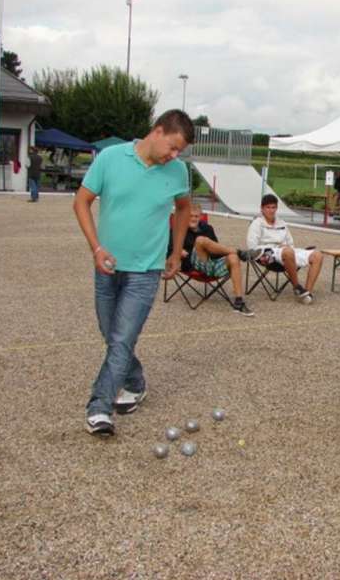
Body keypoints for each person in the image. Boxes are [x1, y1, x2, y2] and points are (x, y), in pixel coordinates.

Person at [73, 109, 194, 436]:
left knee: (123, 337)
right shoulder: (111, 158)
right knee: (112, 335)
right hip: (107, 267)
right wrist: (96, 248)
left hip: (146, 271)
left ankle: (99, 407)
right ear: (157, 131)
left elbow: (184, 208)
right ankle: (135, 381)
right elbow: (81, 202)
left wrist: (176, 250)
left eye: (179, 151)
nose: (174, 156)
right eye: (172, 147)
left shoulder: (177, 171)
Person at [169, 202, 259, 316]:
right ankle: (241, 253)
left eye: (196, 216)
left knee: (232, 257)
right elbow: (169, 250)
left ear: (200, 216)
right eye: (190, 216)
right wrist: (177, 252)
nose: (193, 218)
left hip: (210, 265)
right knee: (201, 240)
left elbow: (217, 252)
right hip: (191, 265)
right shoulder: (178, 229)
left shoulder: (207, 228)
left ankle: (239, 302)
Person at [246, 194, 324, 304]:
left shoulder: (282, 223)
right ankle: (297, 287)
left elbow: (290, 244)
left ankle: (306, 293)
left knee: (318, 255)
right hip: (266, 255)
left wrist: (285, 248)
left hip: (286, 253)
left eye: (273, 207)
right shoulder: (256, 224)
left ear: (276, 208)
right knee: (287, 252)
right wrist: (275, 248)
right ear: (262, 208)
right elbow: (252, 248)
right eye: (268, 207)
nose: (271, 210)